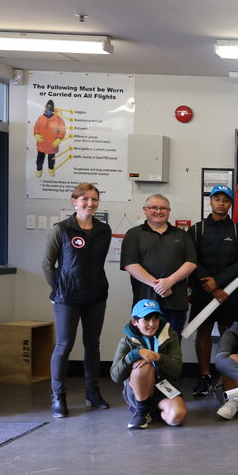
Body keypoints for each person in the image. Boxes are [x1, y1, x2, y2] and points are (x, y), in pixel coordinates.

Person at [42, 182, 112, 418]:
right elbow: (47, 264)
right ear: (74, 201)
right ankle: (58, 397)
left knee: (92, 345)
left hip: (96, 296)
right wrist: (59, 289)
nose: (90, 204)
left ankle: (92, 392)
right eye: (85, 200)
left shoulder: (104, 230)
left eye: (94, 199)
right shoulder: (61, 229)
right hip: (67, 298)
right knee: (64, 346)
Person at [188, 184, 238, 397]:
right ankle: (205, 377)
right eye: (217, 199)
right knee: (204, 331)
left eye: (226, 199)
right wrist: (210, 285)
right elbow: (191, 261)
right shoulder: (197, 230)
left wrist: (219, 282)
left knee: (229, 334)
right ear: (210, 201)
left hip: (230, 293)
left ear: (231, 203)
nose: (221, 203)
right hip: (202, 291)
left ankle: (227, 376)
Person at [121, 194, 198, 333]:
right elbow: (130, 264)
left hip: (175, 302)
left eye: (163, 208)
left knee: (172, 346)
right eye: (154, 207)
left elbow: (191, 262)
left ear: (169, 211)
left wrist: (169, 281)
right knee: (144, 347)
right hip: (145, 303)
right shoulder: (134, 234)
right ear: (145, 209)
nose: (159, 211)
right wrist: (159, 286)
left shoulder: (182, 235)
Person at [110, 299, 187, 430]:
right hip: (139, 392)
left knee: (177, 417)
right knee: (143, 367)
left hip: (164, 389)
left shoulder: (170, 336)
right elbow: (115, 376)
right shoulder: (126, 341)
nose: (152, 324)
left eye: (156, 318)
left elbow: (177, 369)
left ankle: (153, 411)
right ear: (135, 322)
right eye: (146, 319)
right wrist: (135, 354)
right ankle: (141, 410)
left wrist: (157, 357)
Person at [33, 99, 65, 177]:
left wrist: (59, 138)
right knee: (39, 160)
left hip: (52, 144)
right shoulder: (40, 118)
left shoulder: (59, 119)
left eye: (50, 109)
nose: (48, 111)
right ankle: (39, 169)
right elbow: (36, 127)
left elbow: (62, 130)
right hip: (41, 144)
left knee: (51, 160)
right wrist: (36, 134)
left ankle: (51, 169)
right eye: (47, 109)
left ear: (53, 109)